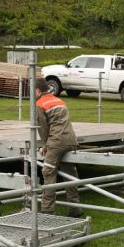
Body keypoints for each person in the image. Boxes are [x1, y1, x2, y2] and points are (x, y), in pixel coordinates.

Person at [35, 78, 83, 218]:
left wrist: (45, 146)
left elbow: (43, 129)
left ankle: (47, 211)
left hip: (56, 143)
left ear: (37, 91)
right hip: (70, 141)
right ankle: (76, 209)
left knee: (48, 173)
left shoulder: (40, 104)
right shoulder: (59, 100)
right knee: (69, 175)